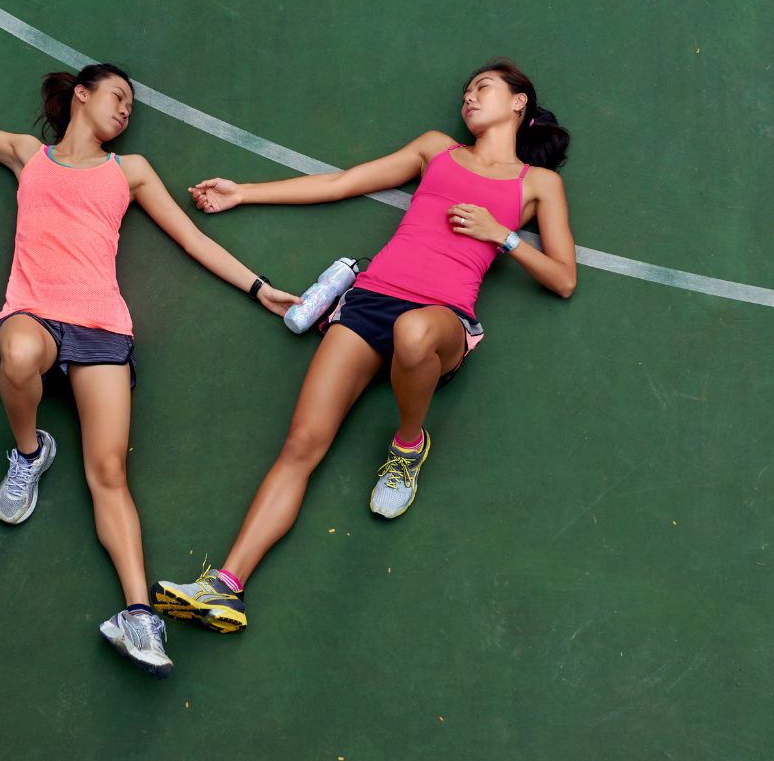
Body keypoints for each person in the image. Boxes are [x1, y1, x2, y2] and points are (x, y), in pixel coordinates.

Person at [0, 23, 299, 675]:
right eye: (117, 95)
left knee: (111, 476)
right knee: (16, 355)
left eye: (131, 106)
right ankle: (31, 453)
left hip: (101, 330)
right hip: (33, 313)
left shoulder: (132, 172)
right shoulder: (26, 155)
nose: (126, 108)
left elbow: (190, 240)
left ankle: (139, 615)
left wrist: (260, 287)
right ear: (83, 94)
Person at [152, 59, 576, 635]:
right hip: (370, 300)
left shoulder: (538, 185)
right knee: (301, 444)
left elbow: (563, 278)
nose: (468, 99)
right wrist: (243, 193)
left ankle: (408, 445)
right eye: (466, 92)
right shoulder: (436, 150)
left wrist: (500, 235)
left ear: (519, 101)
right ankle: (226, 587)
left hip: (442, 318)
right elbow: (345, 181)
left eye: (482, 89)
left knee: (413, 333)